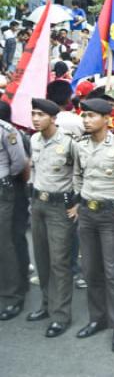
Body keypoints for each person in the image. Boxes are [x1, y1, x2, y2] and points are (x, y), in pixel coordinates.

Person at [72, 98, 114, 352]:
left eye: (90, 116)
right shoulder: (80, 146)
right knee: (90, 270)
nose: (86, 120)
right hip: (87, 213)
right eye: (84, 116)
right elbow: (77, 173)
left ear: (105, 119)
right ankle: (97, 318)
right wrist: (78, 197)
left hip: (112, 214)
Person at [27, 99, 78, 338]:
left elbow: (82, 172)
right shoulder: (34, 140)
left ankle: (61, 315)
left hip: (60, 207)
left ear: (53, 118)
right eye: (33, 114)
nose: (35, 118)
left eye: (40, 115)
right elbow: (33, 170)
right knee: (42, 259)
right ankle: (46, 305)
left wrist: (77, 204)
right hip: (38, 204)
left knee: (60, 262)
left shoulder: (69, 143)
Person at [0, 113, 30, 321]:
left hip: (2, 189)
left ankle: (11, 296)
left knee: (4, 242)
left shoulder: (5, 130)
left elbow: (19, 163)